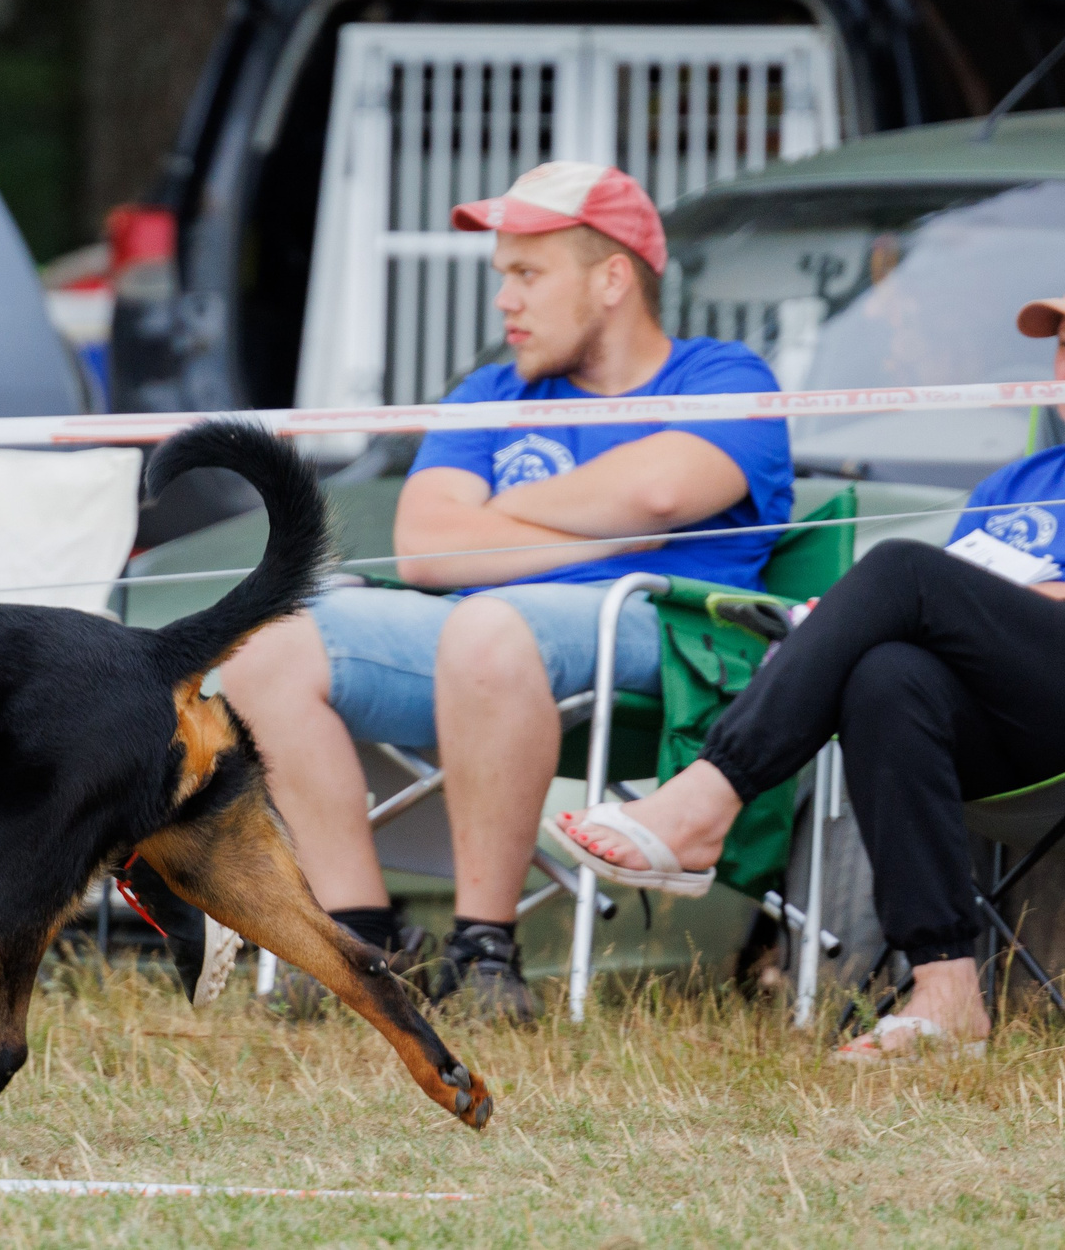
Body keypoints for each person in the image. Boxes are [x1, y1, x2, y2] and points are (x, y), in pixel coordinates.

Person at [217, 161, 793, 1021]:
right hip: (473, 648)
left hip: (664, 640)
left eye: (528, 274)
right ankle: (357, 942)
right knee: (267, 637)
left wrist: (498, 519)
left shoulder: (724, 375)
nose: (504, 301)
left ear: (611, 278)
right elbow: (423, 546)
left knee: (488, 624)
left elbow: (663, 495)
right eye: (502, 277)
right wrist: (595, 516)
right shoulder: (493, 390)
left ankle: (484, 952)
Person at [552, 292, 1065, 1061]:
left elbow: (960, 597)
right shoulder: (1018, 482)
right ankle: (948, 989)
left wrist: (914, 601)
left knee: (900, 574)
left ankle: (707, 796)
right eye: (1060, 342)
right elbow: (961, 618)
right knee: (887, 675)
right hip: (1019, 733)